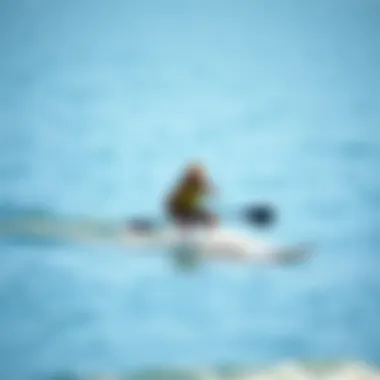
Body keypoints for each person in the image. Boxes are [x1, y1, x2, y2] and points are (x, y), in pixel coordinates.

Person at [165, 162, 217, 227]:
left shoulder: (200, 185)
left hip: (190, 210)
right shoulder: (184, 187)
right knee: (206, 217)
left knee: (209, 217)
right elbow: (172, 205)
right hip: (182, 212)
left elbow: (212, 192)